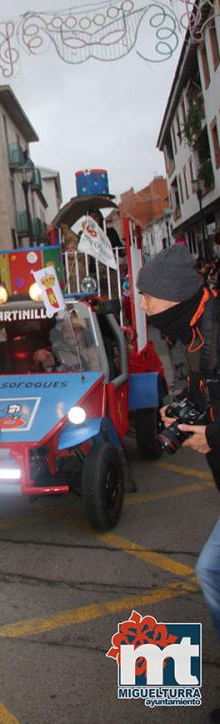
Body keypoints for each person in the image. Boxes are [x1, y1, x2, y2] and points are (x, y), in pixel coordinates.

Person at [137, 245, 220, 672]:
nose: (143, 303)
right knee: (211, 572)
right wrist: (184, 406)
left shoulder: (214, 329)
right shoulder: (193, 330)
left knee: (211, 571)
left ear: (173, 294)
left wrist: (212, 436)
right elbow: (207, 389)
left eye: (148, 294)